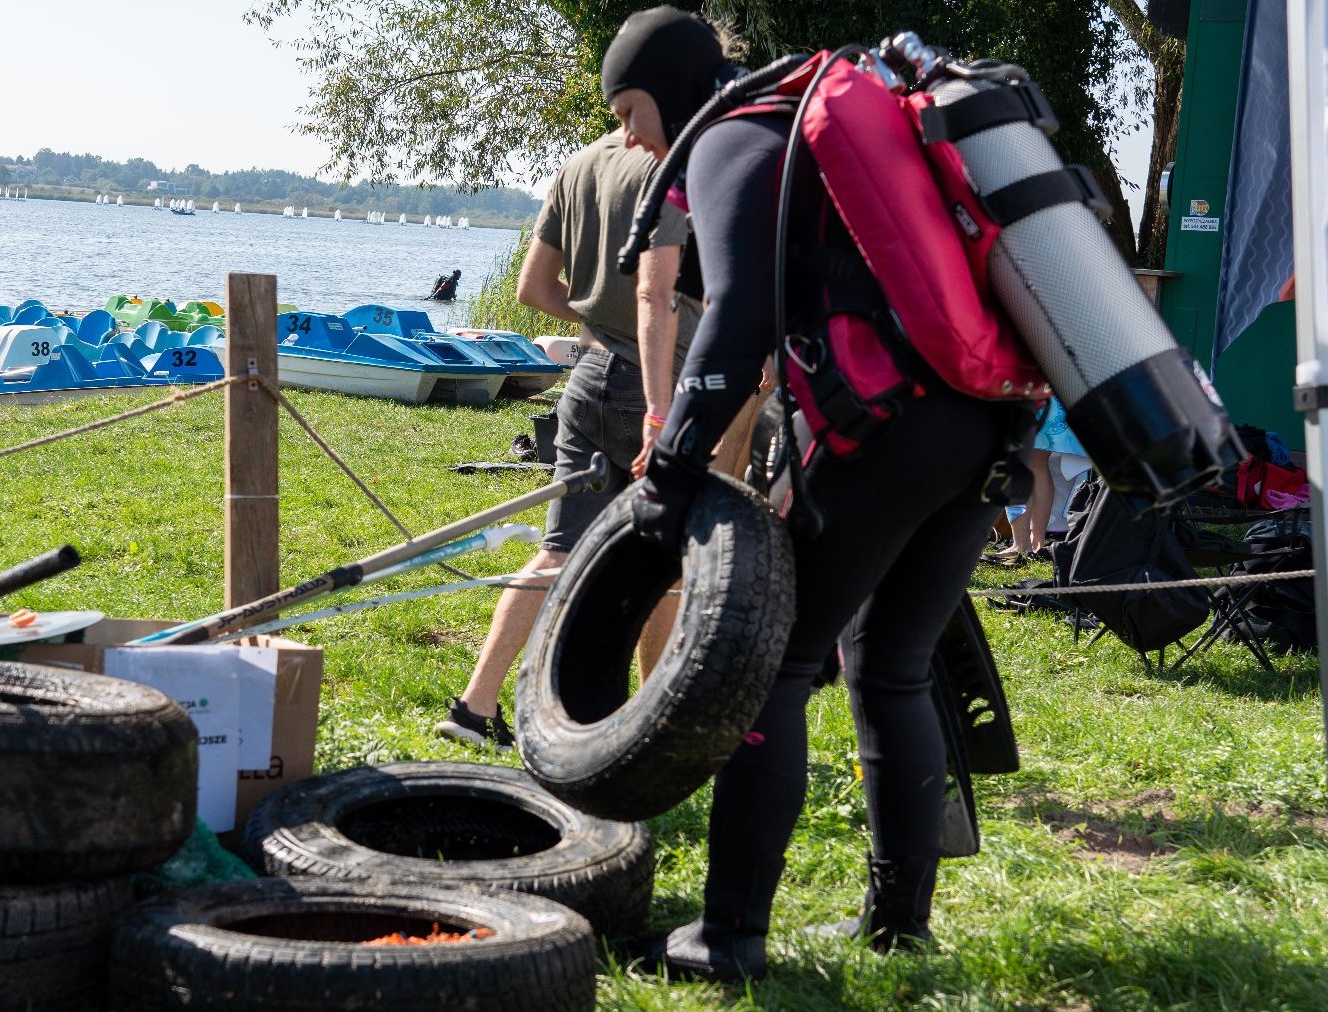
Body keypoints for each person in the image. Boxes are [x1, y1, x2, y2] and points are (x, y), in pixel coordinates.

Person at [605, 7, 1039, 980]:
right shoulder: (813, 119)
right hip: (986, 418)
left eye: (630, 110)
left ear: (667, 85)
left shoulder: (728, 135)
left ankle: (726, 939)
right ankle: (899, 924)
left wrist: (671, 467)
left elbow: (738, 316)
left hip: (887, 425)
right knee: (890, 664)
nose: (630, 137)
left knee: (777, 666)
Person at [433, 117, 705, 749]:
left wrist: (598, 327)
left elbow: (532, 287)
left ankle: (474, 706)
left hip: (587, 376)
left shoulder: (579, 164)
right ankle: (645, 720)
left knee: (558, 551)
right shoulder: (680, 162)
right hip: (655, 383)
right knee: (665, 560)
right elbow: (655, 294)